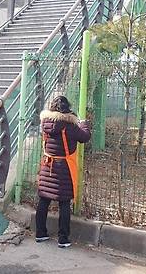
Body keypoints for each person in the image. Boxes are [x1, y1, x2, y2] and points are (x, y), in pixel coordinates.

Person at [35, 95, 91, 248]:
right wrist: (84, 124)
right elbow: (85, 137)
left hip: (47, 165)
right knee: (64, 202)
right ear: (67, 109)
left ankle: (40, 233)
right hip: (64, 167)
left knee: (44, 199)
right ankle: (63, 238)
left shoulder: (44, 123)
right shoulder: (70, 126)